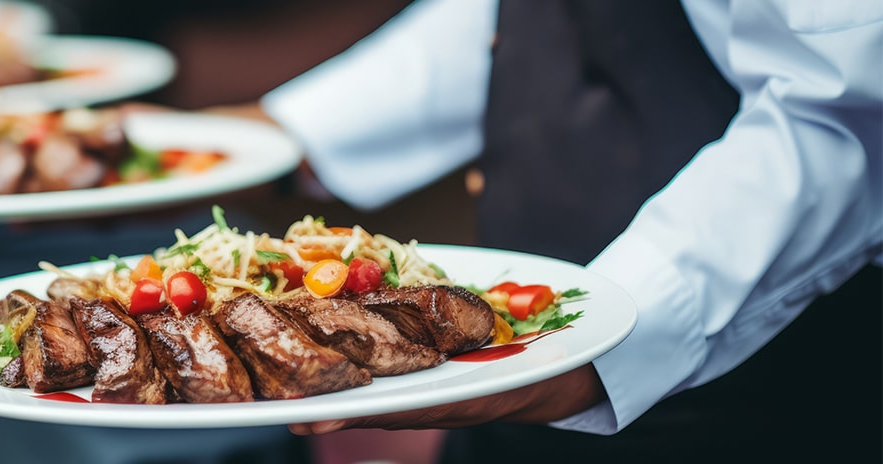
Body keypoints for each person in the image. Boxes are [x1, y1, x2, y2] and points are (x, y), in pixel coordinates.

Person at [189, 0, 881, 462]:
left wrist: (603, 347)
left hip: (743, 392)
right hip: (504, 388)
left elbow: (848, 108)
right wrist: (280, 138)